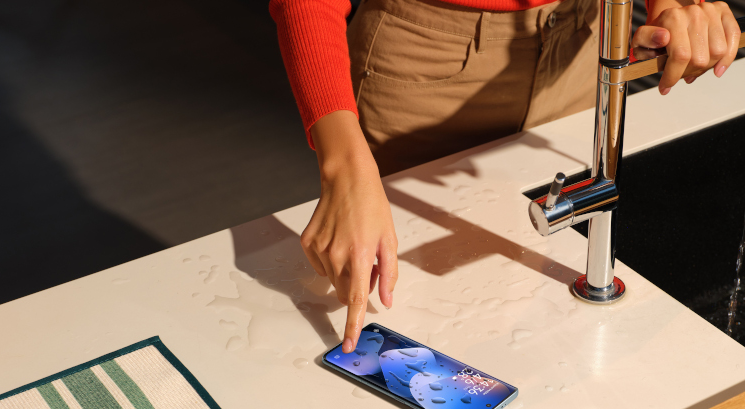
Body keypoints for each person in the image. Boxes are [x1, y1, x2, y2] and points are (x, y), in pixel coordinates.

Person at [269, 0, 740, 353]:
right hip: (428, 60)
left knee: (555, 332)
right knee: (401, 318)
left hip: (582, 46)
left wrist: (675, 6)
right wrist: (344, 169)